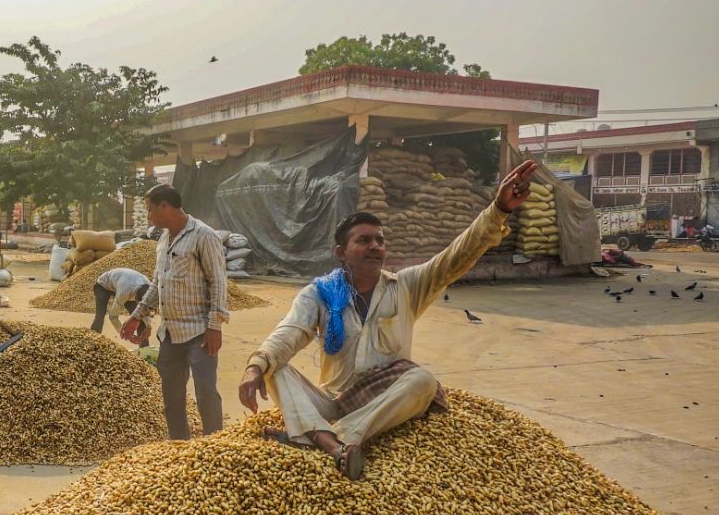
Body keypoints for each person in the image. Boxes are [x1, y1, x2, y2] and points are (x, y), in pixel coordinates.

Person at [238, 160, 538, 480]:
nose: (375, 247)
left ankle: (328, 439)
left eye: (379, 240)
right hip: (332, 401)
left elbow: (456, 257)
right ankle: (328, 438)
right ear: (341, 251)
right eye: (364, 241)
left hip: (385, 405)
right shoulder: (321, 293)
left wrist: (498, 210)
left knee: (422, 381)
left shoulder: (406, 287)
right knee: (276, 368)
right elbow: (290, 331)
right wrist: (255, 366)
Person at [121, 184, 228, 440]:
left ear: (164, 206)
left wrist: (215, 326)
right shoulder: (163, 240)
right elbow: (158, 284)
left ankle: (215, 447)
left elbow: (219, 282)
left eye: (150, 210)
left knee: (205, 394)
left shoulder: (203, 235)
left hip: (199, 332)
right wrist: (138, 315)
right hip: (169, 333)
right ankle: (179, 448)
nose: (148, 216)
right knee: (172, 398)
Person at [91, 267, 151, 343]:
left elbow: (147, 310)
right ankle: (92, 342)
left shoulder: (150, 288)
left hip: (123, 283)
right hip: (103, 286)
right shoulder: (124, 293)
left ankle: (144, 350)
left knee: (140, 318)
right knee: (100, 315)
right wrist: (127, 336)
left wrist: (149, 327)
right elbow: (113, 316)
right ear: (135, 298)